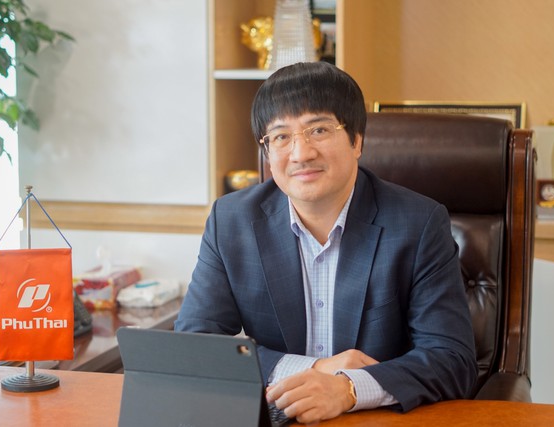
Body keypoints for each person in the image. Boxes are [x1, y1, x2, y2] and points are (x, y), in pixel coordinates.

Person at [174, 61, 477, 424]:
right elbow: (194, 344)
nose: (301, 153)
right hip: (278, 416)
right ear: (267, 151)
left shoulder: (418, 223)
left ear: (357, 141)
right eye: (281, 136)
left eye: (318, 130)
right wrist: (315, 369)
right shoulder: (232, 220)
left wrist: (349, 388)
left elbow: (452, 359)